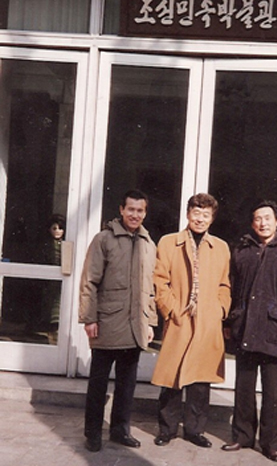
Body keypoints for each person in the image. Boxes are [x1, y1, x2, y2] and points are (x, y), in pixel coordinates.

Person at [222, 199, 277, 463]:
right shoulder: (242, 250)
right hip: (245, 327)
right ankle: (242, 436)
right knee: (244, 386)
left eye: (267, 218)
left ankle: (271, 444)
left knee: (273, 392)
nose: (263, 223)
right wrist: (228, 322)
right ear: (252, 223)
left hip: (275, 329)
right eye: (258, 219)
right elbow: (233, 288)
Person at [79, 189, 157, 452]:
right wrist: (89, 318)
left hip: (135, 327)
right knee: (98, 384)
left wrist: (150, 322)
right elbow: (89, 281)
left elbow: (151, 288)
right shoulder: (104, 239)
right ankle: (92, 433)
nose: (135, 214)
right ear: (122, 210)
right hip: (107, 323)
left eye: (140, 210)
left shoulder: (149, 244)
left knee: (127, 384)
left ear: (145, 213)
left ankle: (120, 430)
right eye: (130, 209)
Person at [151, 193, 231, 448]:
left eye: (206, 215)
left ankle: (195, 430)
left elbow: (225, 284)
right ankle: (167, 429)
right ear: (187, 214)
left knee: (200, 380)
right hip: (180, 319)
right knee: (171, 378)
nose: (200, 219)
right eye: (196, 213)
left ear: (212, 219)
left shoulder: (221, 247)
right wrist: (171, 310)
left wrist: (220, 310)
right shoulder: (168, 242)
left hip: (207, 321)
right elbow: (160, 281)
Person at [40, 214, 66, 344]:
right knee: (50, 302)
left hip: (61, 278)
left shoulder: (65, 244)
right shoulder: (47, 245)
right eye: (54, 228)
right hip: (50, 279)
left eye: (60, 228)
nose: (57, 231)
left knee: (59, 302)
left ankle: (56, 325)